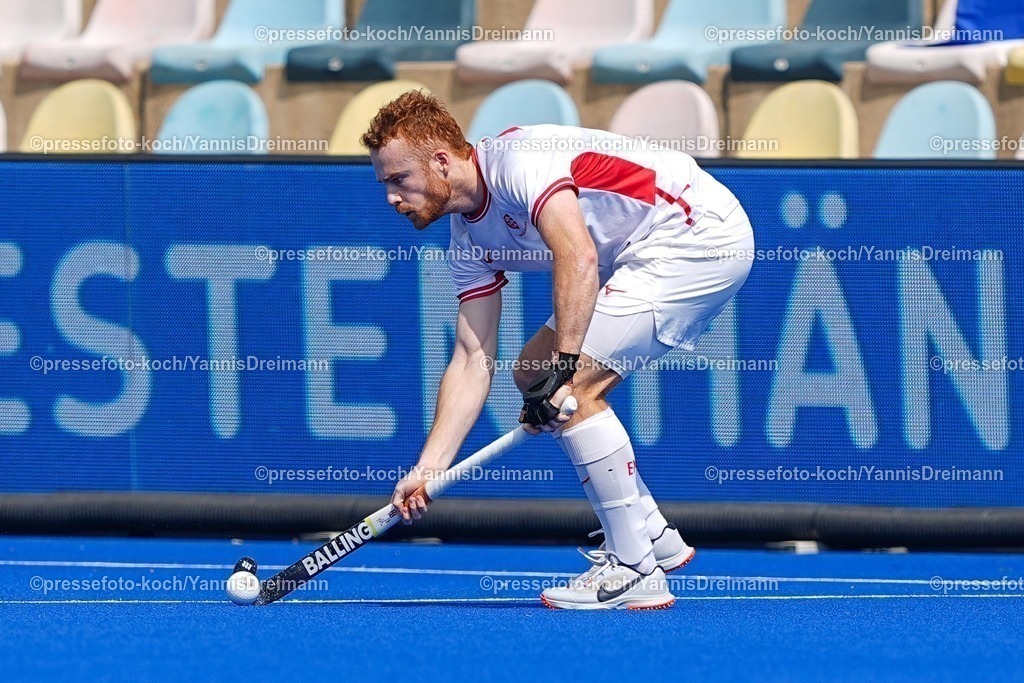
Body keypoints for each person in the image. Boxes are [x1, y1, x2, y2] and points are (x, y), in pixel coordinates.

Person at [362, 90, 754, 610]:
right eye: (385, 183)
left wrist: (566, 368)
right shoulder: (467, 240)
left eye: (398, 180)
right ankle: (653, 533)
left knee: (572, 389)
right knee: (532, 372)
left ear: (440, 161)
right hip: (643, 252)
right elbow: (472, 358)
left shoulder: (517, 163)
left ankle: (635, 569)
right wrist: (430, 466)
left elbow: (578, 255)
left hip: (695, 234)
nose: (391, 197)